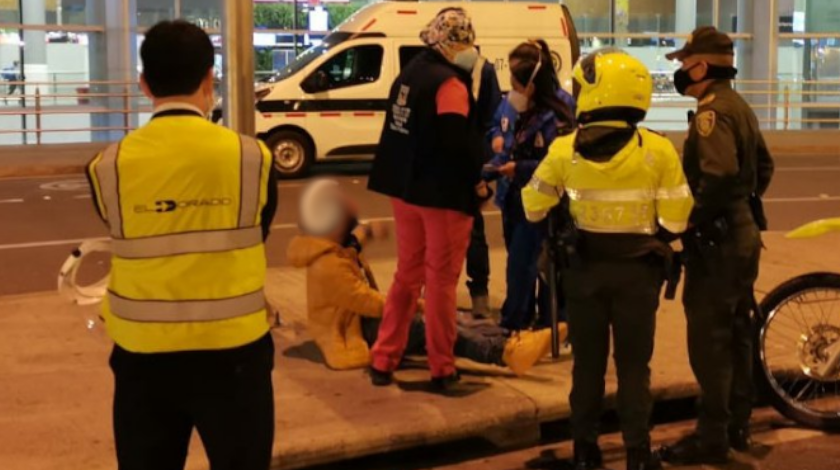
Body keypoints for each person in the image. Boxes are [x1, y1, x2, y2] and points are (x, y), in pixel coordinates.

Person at [85, 21, 277, 470]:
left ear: (144, 84)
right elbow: (256, 233)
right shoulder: (254, 158)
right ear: (210, 78)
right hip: (236, 358)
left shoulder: (107, 167)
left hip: (142, 359)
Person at [522, 48, 694, 470]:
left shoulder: (565, 150)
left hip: (584, 275)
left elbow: (531, 207)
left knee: (588, 368)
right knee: (635, 369)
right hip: (639, 276)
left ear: (595, 94)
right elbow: (677, 217)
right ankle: (637, 453)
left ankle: (585, 451)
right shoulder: (658, 150)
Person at [287, 179, 565, 376]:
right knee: (429, 325)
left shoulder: (331, 248)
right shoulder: (328, 265)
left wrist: (367, 233)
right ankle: (505, 353)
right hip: (355, 331)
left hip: (360, 321)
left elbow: (353, 244)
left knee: (452, 316)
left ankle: (513, 339)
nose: (353, 213)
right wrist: (410, 305)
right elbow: (364, 301)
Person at [658, 26, 775, 466]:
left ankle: (712, 437)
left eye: (686, 64)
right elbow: (764, 165)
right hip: (743, 233)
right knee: (737, 333)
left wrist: (692, 219)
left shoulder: (711, 114)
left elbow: (719, 173)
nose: (682, 72)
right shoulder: (738, 105)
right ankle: (736, 425)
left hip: (719, 243)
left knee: (710, 340)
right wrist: (743, 206)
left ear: (702, 66)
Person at [367, 7, 489, 391]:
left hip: (405, 191)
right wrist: (479, 183)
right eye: (466, 44)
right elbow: (456, 143)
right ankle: (442, 366)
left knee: (408, 274)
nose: (470, 51)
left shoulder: (410, 74)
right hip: (442, 196)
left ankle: (384, 358)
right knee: (440, 282)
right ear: (452, 45)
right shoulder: (449, 84)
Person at [485, 39, 576, 331]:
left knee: (535, 267)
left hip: (542, 203)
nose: (511, 87)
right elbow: (499, 127)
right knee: (519, 264)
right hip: (514, 198)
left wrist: (519, 169)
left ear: (532, 85)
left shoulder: (558, 116)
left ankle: (543, 324)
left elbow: (560, 165)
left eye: (515, 81)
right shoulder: (518, 107)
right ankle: (522, 318)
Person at [465, 53, 502, 319]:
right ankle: (478, 295)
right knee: (470, 232)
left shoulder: (481, 70)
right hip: (463, 162)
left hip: (466, 163)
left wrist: (483, 173)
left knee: (472, 232)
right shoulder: (483, 69)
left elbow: (491, 120)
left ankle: (479, 294)